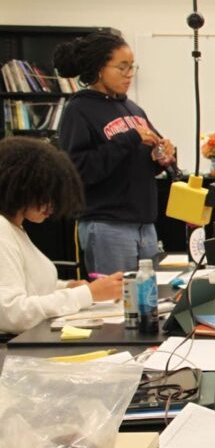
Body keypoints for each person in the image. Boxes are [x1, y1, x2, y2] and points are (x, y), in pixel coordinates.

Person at [53, 31, 177, 275]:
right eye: (122, 67)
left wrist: (162, 156)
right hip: (107, 225)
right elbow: (77, 171)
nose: (129, 74)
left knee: (150, 295)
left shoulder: (133, 109)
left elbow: (140, 161)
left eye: (132, 67)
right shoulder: (79, 110)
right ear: (99, 68)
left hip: (145, 225)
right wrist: (129, 139)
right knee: (117, 296)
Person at [0, 137, 124, 334]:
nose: (52, 206)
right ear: (21, 186)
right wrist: (87, 294)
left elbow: (30, 286)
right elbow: (12, 313)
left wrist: (67, 288)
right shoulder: (2, 231)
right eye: (46, 195)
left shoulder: (14, 229)